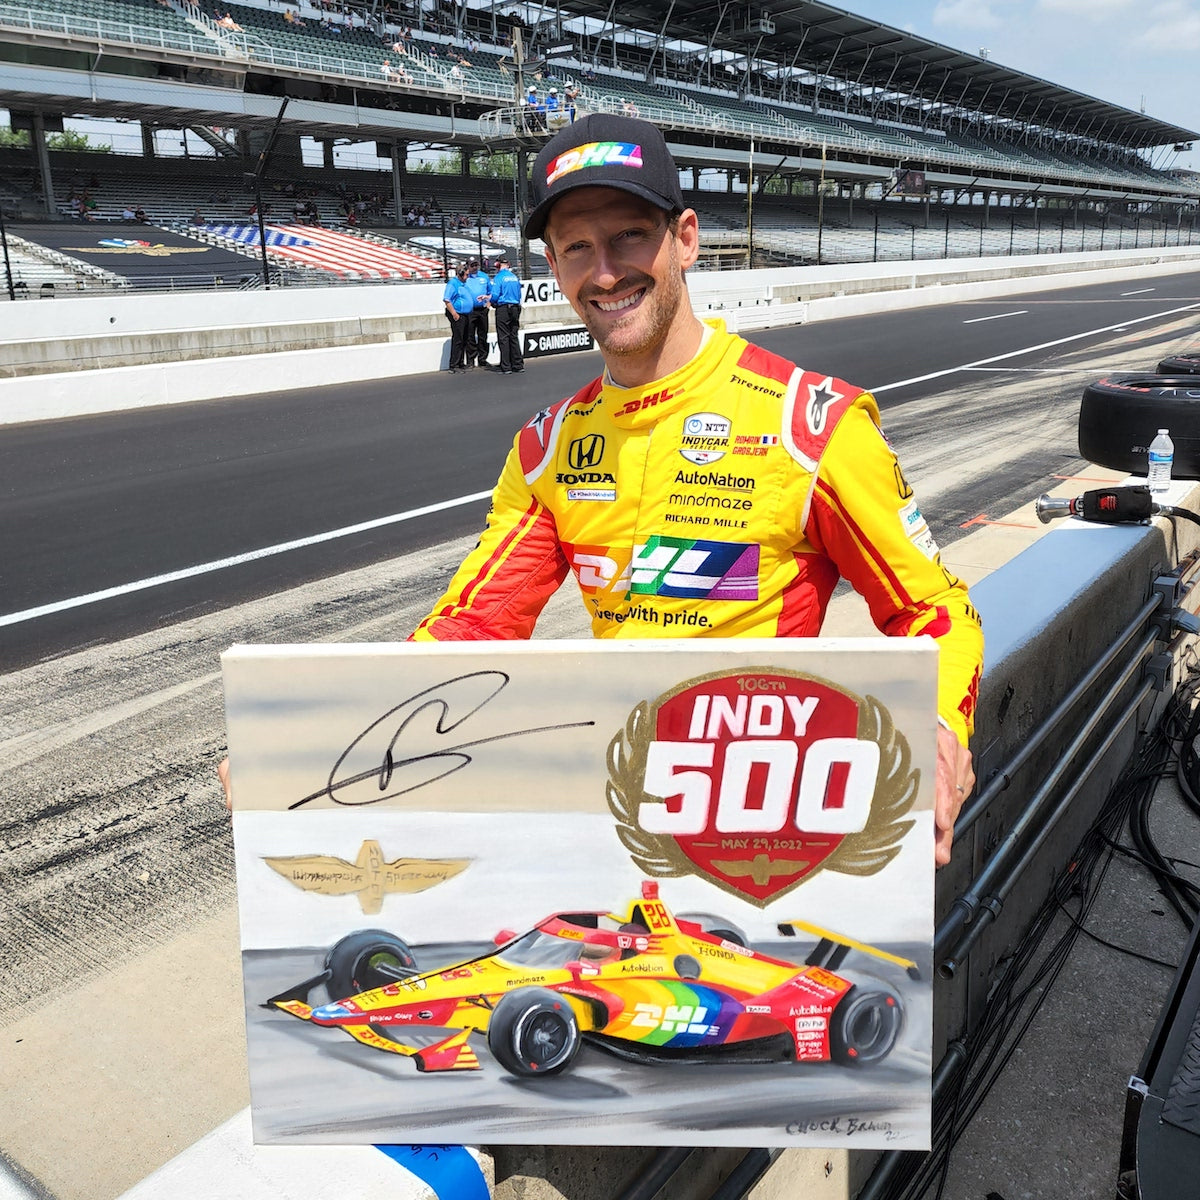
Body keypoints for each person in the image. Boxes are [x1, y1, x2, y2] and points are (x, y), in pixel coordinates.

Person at [408, 114, 983, 866]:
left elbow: (933, 610)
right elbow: (474, 625)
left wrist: (939, 725)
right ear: (553, 264)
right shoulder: (547, 448)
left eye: (629, 236)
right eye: (577, 247)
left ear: (684, 239)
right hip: (620, 811)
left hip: (763, 825)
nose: (605, 273)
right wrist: (331, 724)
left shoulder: (810, 425)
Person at [488, 252, 523, 374]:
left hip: (503, 308)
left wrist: (491, 302)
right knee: (513, 336)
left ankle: (506, 366)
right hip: (515, 307)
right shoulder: (514, 277)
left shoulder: (499, 277)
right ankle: (518, 364)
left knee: (503, 337)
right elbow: (519, 294)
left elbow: (495, 295)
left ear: (498, 265)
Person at [442, 261, 473, 372]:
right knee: (458, 339)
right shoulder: (453, 284)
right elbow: (447, 300)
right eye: (466, 275)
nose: (468, 277)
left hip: (465, 314)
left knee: (464, 339)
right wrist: (454, 313)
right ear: (460, 274)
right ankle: (454, 364)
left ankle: (460, 362)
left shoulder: (463, 284)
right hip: (458, 314)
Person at [463, 257, 491, 368]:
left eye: (476, 265)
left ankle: (482, 359)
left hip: (482, 310)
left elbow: (490, 292)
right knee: (470, 336)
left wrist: (488, 304)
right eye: (472, 265)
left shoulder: (484, 276)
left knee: (483, 335)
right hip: (470, 310)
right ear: (468, 266)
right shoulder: (465, 277)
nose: (475, 267)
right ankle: (470, 360)